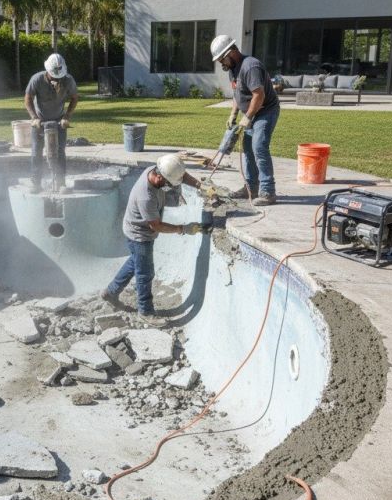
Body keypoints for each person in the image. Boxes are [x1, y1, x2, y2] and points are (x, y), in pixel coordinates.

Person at [101, 154, 208, 322]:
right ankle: (146, 312)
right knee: (145, 273)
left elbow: (180, 175)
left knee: (136, 262)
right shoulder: (146, 196)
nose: (169, 187)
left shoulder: (159, 170)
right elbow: (156, 225)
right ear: (159, 177)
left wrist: (200, 185)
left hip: (138, 229)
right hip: (139, 234)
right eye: (168, 184)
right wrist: (182, 228)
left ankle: (110, 292)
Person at [210, 34, 280, 206]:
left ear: (231, 53)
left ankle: (268, 192)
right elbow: (237, 94)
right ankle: (251, 188)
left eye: (221, 59)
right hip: (251, 112)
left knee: (259, 147)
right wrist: (233, 114)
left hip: (265, 111)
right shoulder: (233, 69)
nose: (221, 64)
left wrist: (247, 117)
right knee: (247, 149)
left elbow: (259, 95)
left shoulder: (250, 67)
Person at [24, 53, 78, 192]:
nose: (56, 78)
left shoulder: (68, 80)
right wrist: (34, 117)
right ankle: (35, 182)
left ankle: (61, 183)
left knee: (60, 151)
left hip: (59, 121)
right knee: (36, 151)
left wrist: (67, 116)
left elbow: (74, 98)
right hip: (39, 122)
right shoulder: (36, 79)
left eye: (59, 76)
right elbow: (28, 98)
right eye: (54, 76)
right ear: (47, 70)